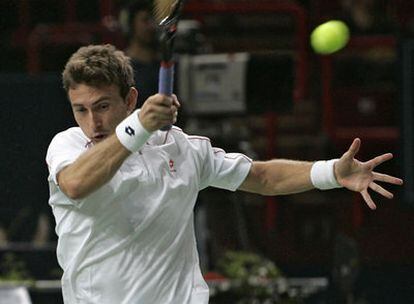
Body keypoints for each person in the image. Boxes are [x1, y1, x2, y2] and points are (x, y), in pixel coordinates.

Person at [46, 44, 402, 304]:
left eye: (103, 106)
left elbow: (260, 177)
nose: (93, 122)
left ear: (130, 99)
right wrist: (138, 125)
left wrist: (330, 173)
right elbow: (76, 184)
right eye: (81, 109)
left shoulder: (182, 149)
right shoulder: (68, 147)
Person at [119, 0, 160, 107]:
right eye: (145, 20)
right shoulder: (120, 67)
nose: (152, 26)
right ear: (130, 24)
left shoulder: (165, 64)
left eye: (154, 20)